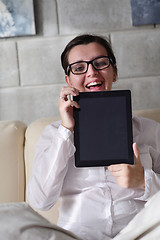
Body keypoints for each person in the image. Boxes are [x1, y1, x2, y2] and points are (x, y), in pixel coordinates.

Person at [27, 34, 160, 240]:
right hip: (78, 236)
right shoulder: (53, 134)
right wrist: (66, 131)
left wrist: (144, 181)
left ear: (114, 72)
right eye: (79, 68)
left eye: (100, 63)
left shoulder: (151, 131)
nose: (92, 72)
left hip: (141, 233)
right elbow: (40, 201)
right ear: (68, 80)